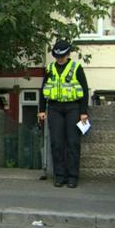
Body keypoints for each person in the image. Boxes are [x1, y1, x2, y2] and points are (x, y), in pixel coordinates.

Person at [37, 40, 89, 188]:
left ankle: (73, 177)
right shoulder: (50, 68)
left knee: (72, 143)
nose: (59, 59)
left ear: (68, 54)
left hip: (73, 108)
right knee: (57, 143)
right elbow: (43, 89)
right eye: (57, 56)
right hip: (54, 108)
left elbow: (84, 90)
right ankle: (59, 176)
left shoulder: (76, 68)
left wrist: (84, 112)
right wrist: (41, 110)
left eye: (62, 56)